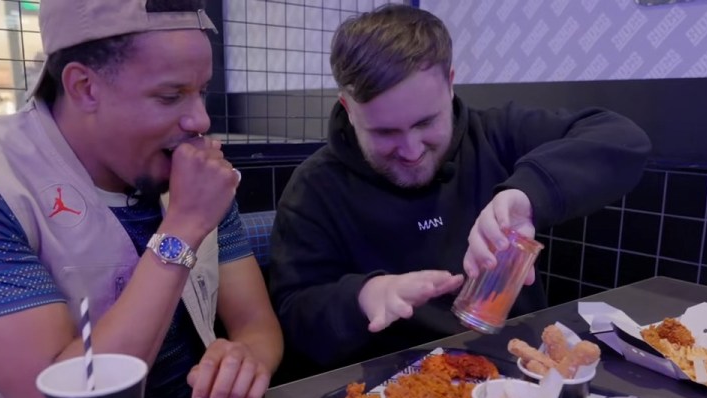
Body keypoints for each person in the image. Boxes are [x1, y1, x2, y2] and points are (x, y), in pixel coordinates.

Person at [0, 0, 283, 398]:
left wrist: (246, 364)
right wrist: (183, 228)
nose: (200, 121)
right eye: (171, 97)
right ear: (84, 86)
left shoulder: (193, 168)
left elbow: (257, 325)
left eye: (203, 91)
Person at [269, 5, 652, 372]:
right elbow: (295, 316)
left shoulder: (496, 134)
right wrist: (363, 298)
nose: (411, 150)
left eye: (425, 123)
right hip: (387, 392)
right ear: (348, 109)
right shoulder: (314, 189)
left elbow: (623, 139)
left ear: (450, 84)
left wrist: (526, 196)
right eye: (385, 132)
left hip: (515, 372)